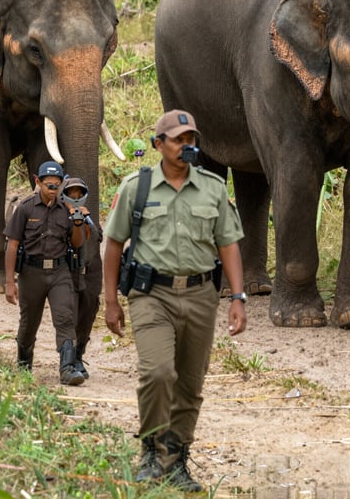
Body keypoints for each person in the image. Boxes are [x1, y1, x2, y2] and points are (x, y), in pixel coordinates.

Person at [103, 110, 246, 492]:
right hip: (151, 295)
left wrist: (238, 296)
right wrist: (110, 301)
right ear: (157, 145)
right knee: (158, 372)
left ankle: (176, 458)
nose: (187, 146)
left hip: (201, 295)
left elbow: (228, 244)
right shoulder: (138, 187)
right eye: (179, 139)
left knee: (189, 384)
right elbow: (114, 244)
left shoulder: (213, 188)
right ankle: (151, 450)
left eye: (191, 139)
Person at [4, 161, 91, 386]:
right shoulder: (25, 208)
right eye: (48, 185)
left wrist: (78, 222)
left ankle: (68, 368)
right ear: (38, 182)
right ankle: (24, 364)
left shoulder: (67, 209)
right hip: (31, 273)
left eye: (57, 185)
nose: (53, 189)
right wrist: (9, 282)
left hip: (60, 272)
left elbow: (77, 242)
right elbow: (13, 245)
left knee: (65, 318)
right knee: (29, 322)